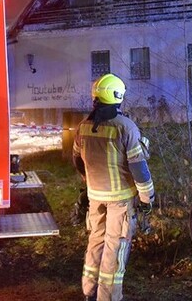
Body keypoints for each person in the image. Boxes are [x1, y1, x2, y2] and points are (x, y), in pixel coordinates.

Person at [73, 73, 154, 301]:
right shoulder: (125, 127)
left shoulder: (84, 126)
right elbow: (139, 169)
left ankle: (89, 291)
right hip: (120, 200)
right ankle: (107, 298)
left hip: (95, 197)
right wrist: (148, 199)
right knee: (114, 246)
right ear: (118, 96)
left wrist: (88, 184)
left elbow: (78, 161)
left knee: (95, 241)